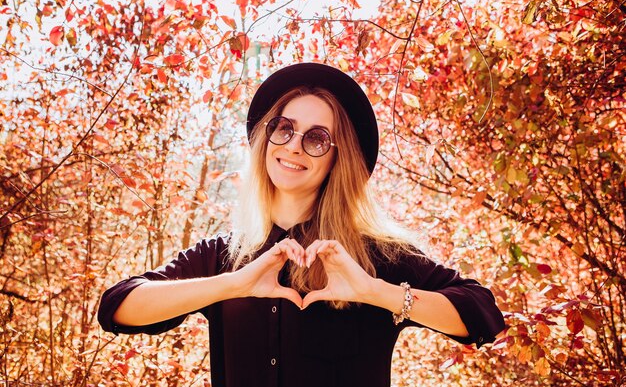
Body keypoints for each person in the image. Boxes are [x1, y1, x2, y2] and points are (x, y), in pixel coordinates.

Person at [98, 62, 505, 387]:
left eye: (316, 138)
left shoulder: (375, 256)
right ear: (267, 138)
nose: (293, 145)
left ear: (335, 158)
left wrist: (376, 292)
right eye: (284, 128)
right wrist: (234, 284)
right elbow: (118, 308)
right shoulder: (224, 255)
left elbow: (482, 315)